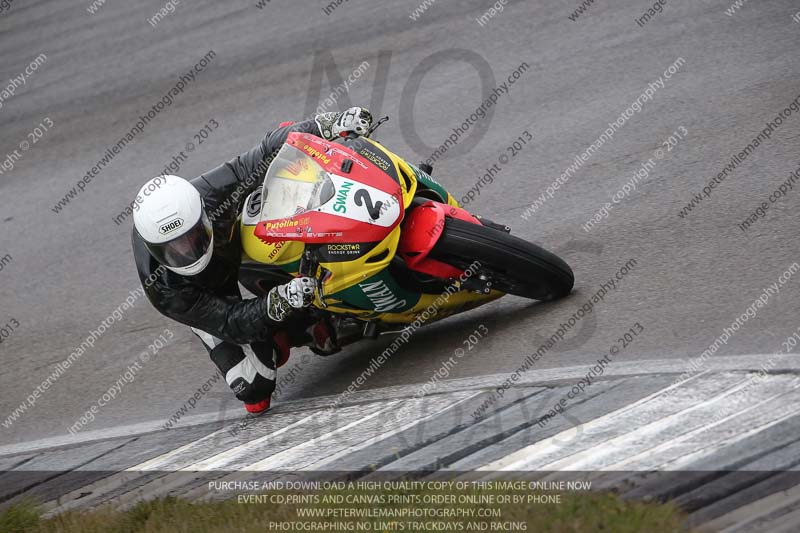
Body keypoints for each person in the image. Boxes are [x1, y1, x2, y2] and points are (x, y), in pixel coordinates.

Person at [131, 107, 374, 414]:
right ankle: (304, 327)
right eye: (172, 249)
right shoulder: (167, 292)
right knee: (256, 388)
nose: (186, 251)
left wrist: (329, 124)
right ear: (155, 249)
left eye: (192, 237)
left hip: (232, 243)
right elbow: (233, 323)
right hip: (210, 299)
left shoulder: (207, 195)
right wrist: (279, 302)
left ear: (202, 213)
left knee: (282, 169)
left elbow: (262, 153)